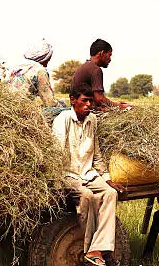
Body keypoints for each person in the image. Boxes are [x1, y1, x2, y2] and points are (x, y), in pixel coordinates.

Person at [52, 84, 124, 266]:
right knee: (88, 196)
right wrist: (57, 182)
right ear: (73, 100)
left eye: (90, 101)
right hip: (67, 173)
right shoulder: (63, 119)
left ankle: (95, 249)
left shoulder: (92, 119)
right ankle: (90, 249)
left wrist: (107, 179)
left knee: (110, 194)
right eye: (84, 101)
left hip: (88, 172)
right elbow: (57, 152)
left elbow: (97, 153)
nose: (88, 105)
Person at [7, 39, 65, 108]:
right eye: (48, 59)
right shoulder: (40, 70)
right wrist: (62, 106)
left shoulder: (19, 67)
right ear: (45, 58)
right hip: (20, 108)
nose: (47, 63)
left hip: (8, 105)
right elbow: (50, 102)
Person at [73, 39, 129, 110]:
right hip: (85, 110)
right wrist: (118, 105)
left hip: (79, 108)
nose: (110, 59)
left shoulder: (84, 66)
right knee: (129, 108)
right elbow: (100, 100)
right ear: (102, 53)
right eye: (109, 55)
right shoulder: (95, 70)